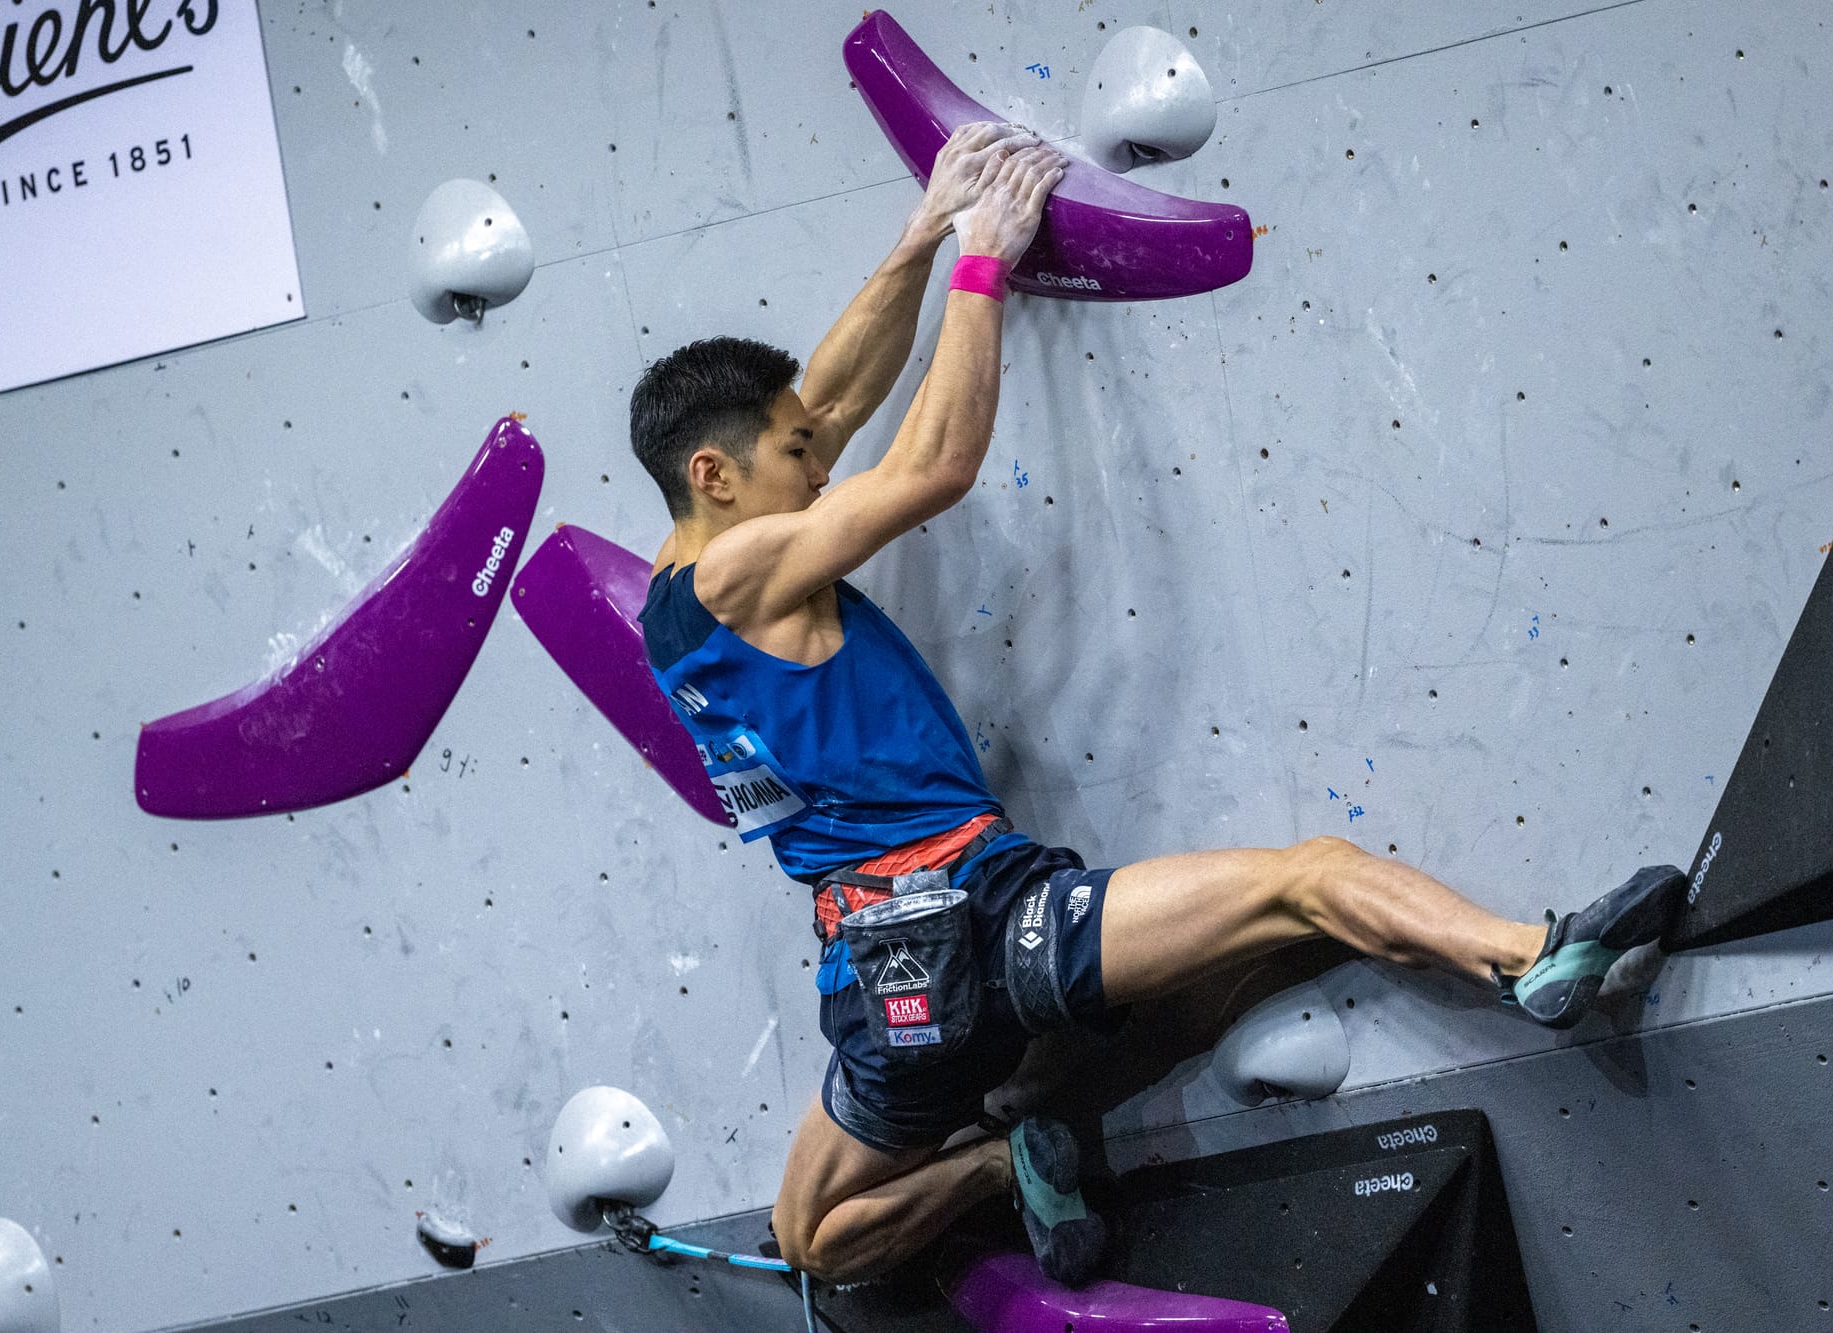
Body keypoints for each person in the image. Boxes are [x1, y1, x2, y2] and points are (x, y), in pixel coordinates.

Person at [630, 123, 1686, 1288]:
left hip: (884, 990)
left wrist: (918, 235)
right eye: (795, 455)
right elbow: (928, 471)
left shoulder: (675, 604)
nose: (821, 460)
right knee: (1304, 879)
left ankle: (998, 1160)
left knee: (813, 1241)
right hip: (991, 921)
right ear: (714, 477)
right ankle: (1524, 957)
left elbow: (824, 397)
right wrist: (982, 253)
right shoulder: (743, 576)